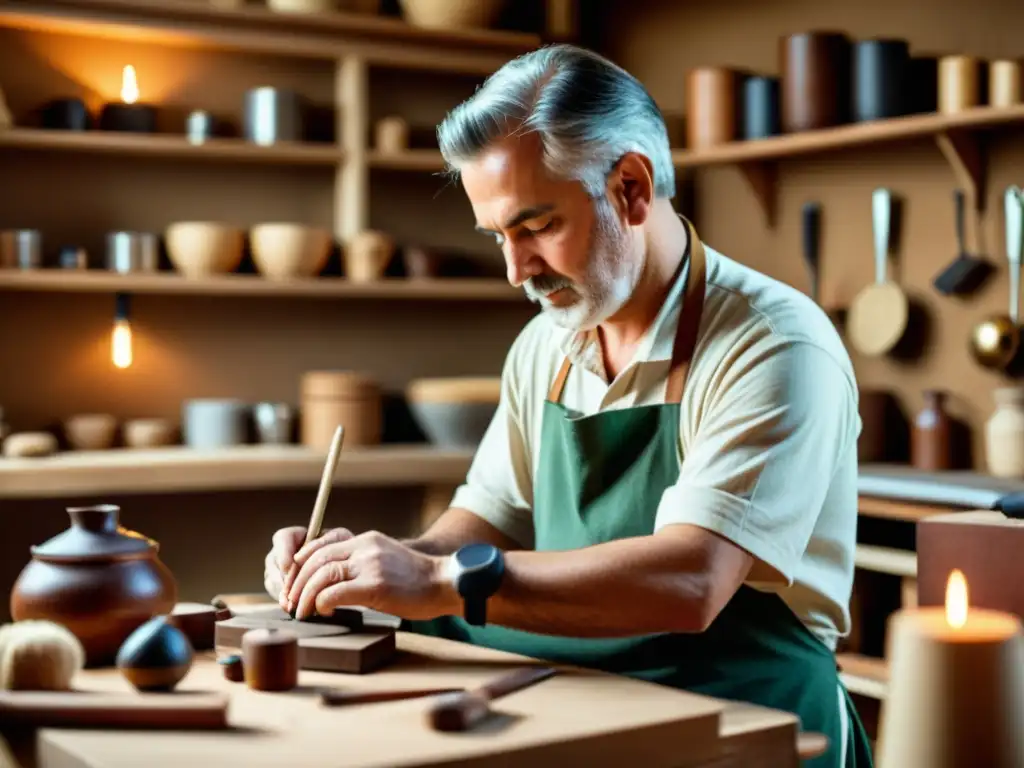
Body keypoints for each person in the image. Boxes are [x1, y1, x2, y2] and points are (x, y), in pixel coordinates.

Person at [264, 44, 872, 767]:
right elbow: (487, 518)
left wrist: (434, 581)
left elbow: (691, 580)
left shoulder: (772, 343)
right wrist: (371, 564)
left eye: (535, 227)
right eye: (498, 237)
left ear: (631, 188)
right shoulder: (544, 347)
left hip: (747, 710)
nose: (516, 271)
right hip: (585, 692)